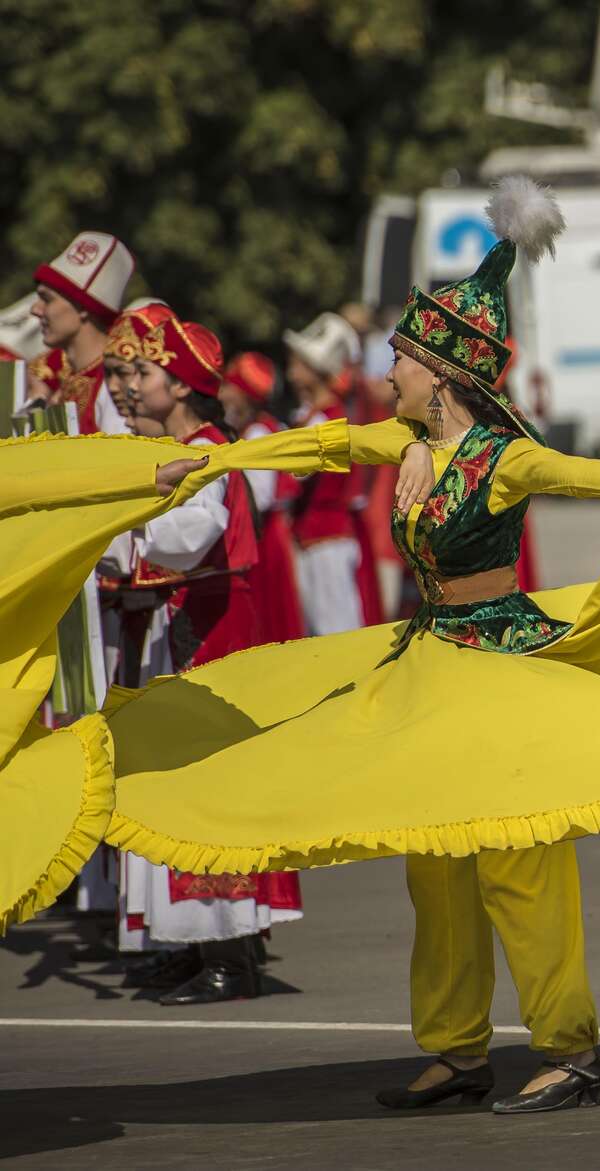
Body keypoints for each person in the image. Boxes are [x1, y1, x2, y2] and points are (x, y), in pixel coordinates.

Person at [0, 177, 600, 1114]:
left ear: (441, 373)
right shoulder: (405, 440)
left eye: (401, 357)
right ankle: (456, 1048)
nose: (387, 368)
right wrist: (211, 459)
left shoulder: (496, 459)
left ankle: (568, 1047)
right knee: (434, 861)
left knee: (518, 859)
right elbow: (320, 447)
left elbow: (567, 468)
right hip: (432, 664)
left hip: (502, 666)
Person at [96, 308, 303, 1004]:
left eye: (140, 372)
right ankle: (188, 939)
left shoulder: (212, 451)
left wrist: (115, 517)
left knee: (207, 794)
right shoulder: (169, 451)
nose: (125, 386)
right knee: (167, 790)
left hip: (210, 644)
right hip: (176, 638)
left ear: (181, 384)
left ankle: (228, 949)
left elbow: (188, 537)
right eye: (121, 372)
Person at [282, 310, 372, 635]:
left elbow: (295, 472)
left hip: (327, 540)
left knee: (337, 631)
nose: (291, 371)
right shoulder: (314, 416)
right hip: (314, 538)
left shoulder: (325, 420)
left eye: (298, 363)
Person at [220, 353, 307, 645]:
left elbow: (260, 496)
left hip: (265, 540)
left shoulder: (258, 432)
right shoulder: (258, 428)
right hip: (267, 536)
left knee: (268, 618)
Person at [20, 231, 135, 434]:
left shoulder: (113, 387)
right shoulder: (57, 382)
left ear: (82, 307)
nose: (35, 309)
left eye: (47, 299)